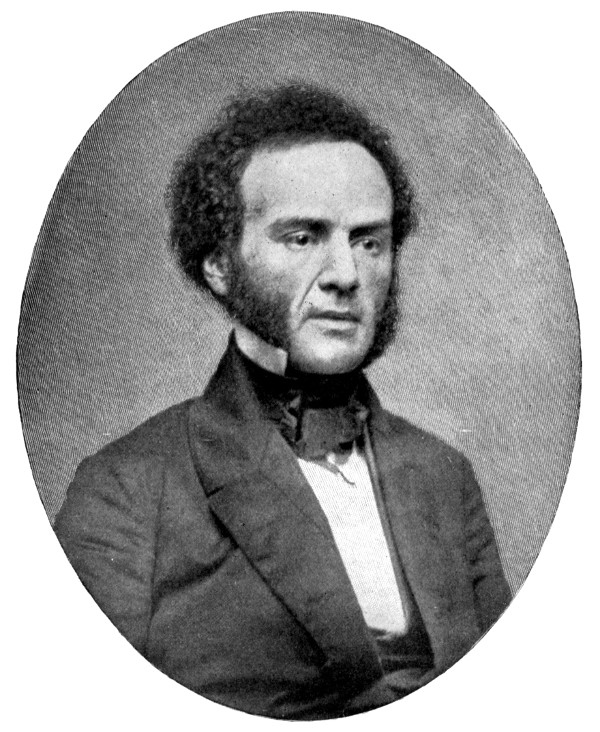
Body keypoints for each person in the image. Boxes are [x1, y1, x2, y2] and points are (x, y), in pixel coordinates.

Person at [55, 84, 511, 720]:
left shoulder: (443, 476)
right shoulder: (128, 490)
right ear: (219, 264)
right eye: (303, 238)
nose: (345, 275)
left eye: (369, 242)